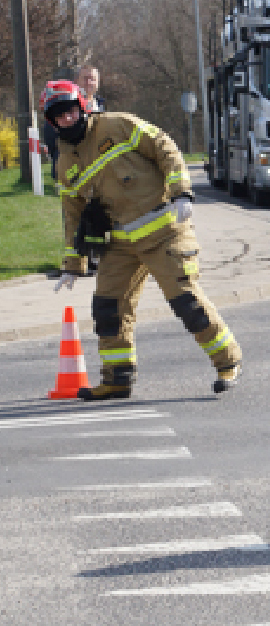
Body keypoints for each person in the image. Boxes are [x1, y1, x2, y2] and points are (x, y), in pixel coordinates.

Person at [43, 81, 241, 399]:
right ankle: (117, 379)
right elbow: (72, 214)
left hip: (165, 230)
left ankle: (227, 362)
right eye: (58, 115)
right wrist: (73, 264)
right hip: (120, 244)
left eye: (69, 111)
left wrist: (182, 192)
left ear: (81, 106)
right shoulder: (65, 162)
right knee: (109, 309)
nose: (66, 119)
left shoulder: (116, 124)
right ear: (51, 121)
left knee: (186, 302)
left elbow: (164, 146)